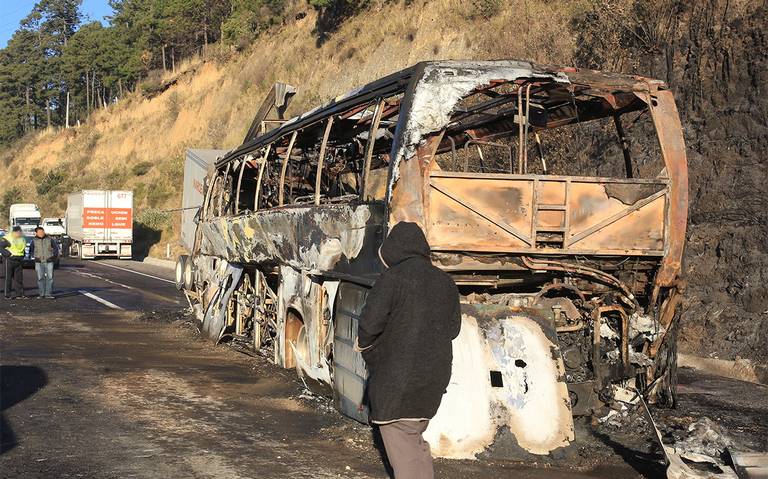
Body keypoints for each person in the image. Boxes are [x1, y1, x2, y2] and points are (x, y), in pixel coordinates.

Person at [357, 222, 461, 479]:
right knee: (415, 445)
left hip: (397, 383)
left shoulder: (391, 279)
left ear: (392, 250)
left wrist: (370, 352)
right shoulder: (446, 282)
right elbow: (453, 329)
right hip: (432, 381)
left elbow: (369, 325)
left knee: (404, 450)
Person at [29, 226, 58, 299]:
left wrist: (53, 257)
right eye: (39, 232)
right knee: (40, 278)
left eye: (42, 231)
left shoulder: (50, 240)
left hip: (49, 261)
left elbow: (56, 249)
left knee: (50, 278)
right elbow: (31, 251)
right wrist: (35, 258)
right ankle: (41, 294)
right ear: (36, 233)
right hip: (39, 262)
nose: (41, 233)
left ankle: (48, 294)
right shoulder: (33, 241)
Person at [1, 226, 28, 299]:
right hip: (9, 260)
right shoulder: (7, 238)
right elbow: (1, 247)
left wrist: (23, 256)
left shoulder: (22, 239)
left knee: (19, 278)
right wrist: (8, 255)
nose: (19, 233)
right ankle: (7, 295)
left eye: (20, 231)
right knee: (8, 278)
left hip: (19, 260)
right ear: (13, 232)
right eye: (17, 232)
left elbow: (23, 249)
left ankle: (20, 294)